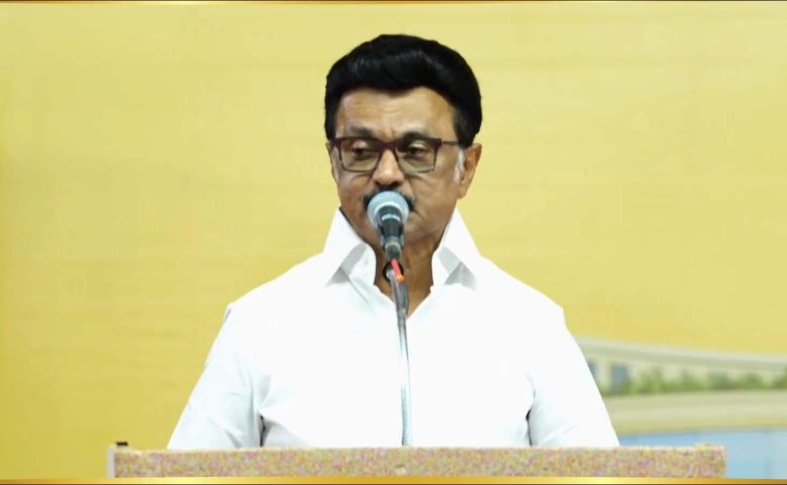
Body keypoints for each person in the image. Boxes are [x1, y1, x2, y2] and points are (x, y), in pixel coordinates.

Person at [168, 34, 618, 448]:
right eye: (361, 151)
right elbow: (188, 475)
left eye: (415, 151)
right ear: (333, 162)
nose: (386, 174)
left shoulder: (529, 325)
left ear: (467, 167)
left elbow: (597, 475)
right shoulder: (259, 324)